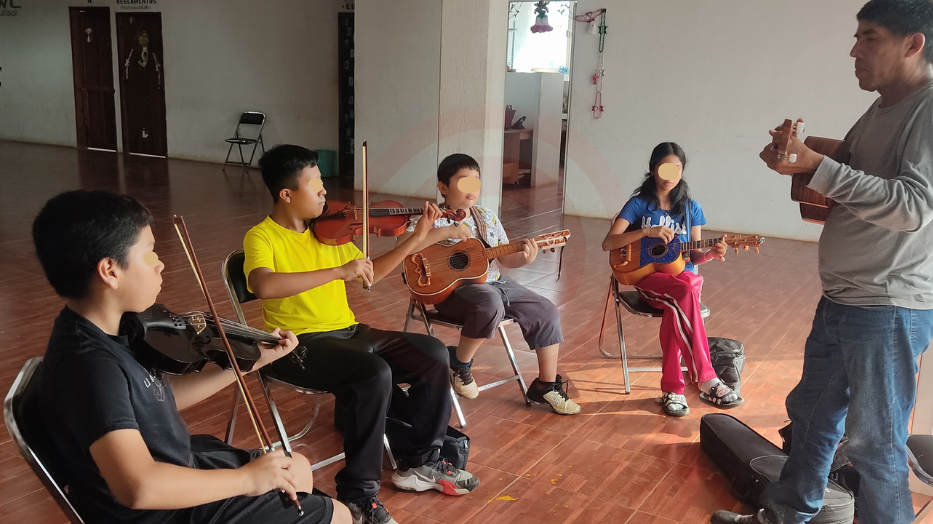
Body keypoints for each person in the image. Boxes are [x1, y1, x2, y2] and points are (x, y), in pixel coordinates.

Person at [712, 1, 933, 523]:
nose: (854, 50)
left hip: (888, 306)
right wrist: (798, 160)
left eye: (869, 36)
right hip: (845, 298)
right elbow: (845, 179)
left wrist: (819, 167)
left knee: (874, 445)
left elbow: (913, 207)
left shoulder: (927, 109)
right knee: (811, 418)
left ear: (913, 43)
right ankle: (787, 514)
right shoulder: (881, 109)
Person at [33, 190, 349, 524]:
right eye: (149, 253)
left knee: (298, 469)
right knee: (339, 515)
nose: (160, 263)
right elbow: (138, 487)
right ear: (110, 271)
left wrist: (250, 361)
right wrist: (248, 480)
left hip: (177, 465)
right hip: (162, 511)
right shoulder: (90, 367)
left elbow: (157, 399)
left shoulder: (116, 329)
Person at [243, 145, 480, 524]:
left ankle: (420, 463)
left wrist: (416, 238)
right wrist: (339, 272)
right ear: (286, 194)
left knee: (433, 353)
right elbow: (264, 286)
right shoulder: (262, 237)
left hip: (350, 332)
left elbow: (370, 275)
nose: (324, 191)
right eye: (315, 185)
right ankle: (358, 497)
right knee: (374, 373)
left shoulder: (328, 232)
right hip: (297, 345)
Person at [397, 153, 581, 415]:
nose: (471, 189)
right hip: (453, 291)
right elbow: (402, 248)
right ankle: (460, 364)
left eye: (475, 182)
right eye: (463, 182)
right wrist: (443, 232)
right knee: (490, 303)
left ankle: (546, 385)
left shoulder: (486, 217)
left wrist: (525, 258)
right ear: (443, 187)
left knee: (546, 310)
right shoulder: (429, 218)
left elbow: (505, 257)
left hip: (495, 282)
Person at [601, 142, 738, 417]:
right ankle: (707, 379)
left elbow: (694, 256)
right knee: (686, 294)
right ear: (653, 169)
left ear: (682, 171)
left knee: (682, 297)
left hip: (683, 279)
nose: (670, 175)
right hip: (650, 278)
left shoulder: (691, 208)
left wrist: (710, 254)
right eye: (664, 168)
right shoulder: (638, 205)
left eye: (676, 169)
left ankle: (674, 390)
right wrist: (645, 232)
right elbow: (608, 243)